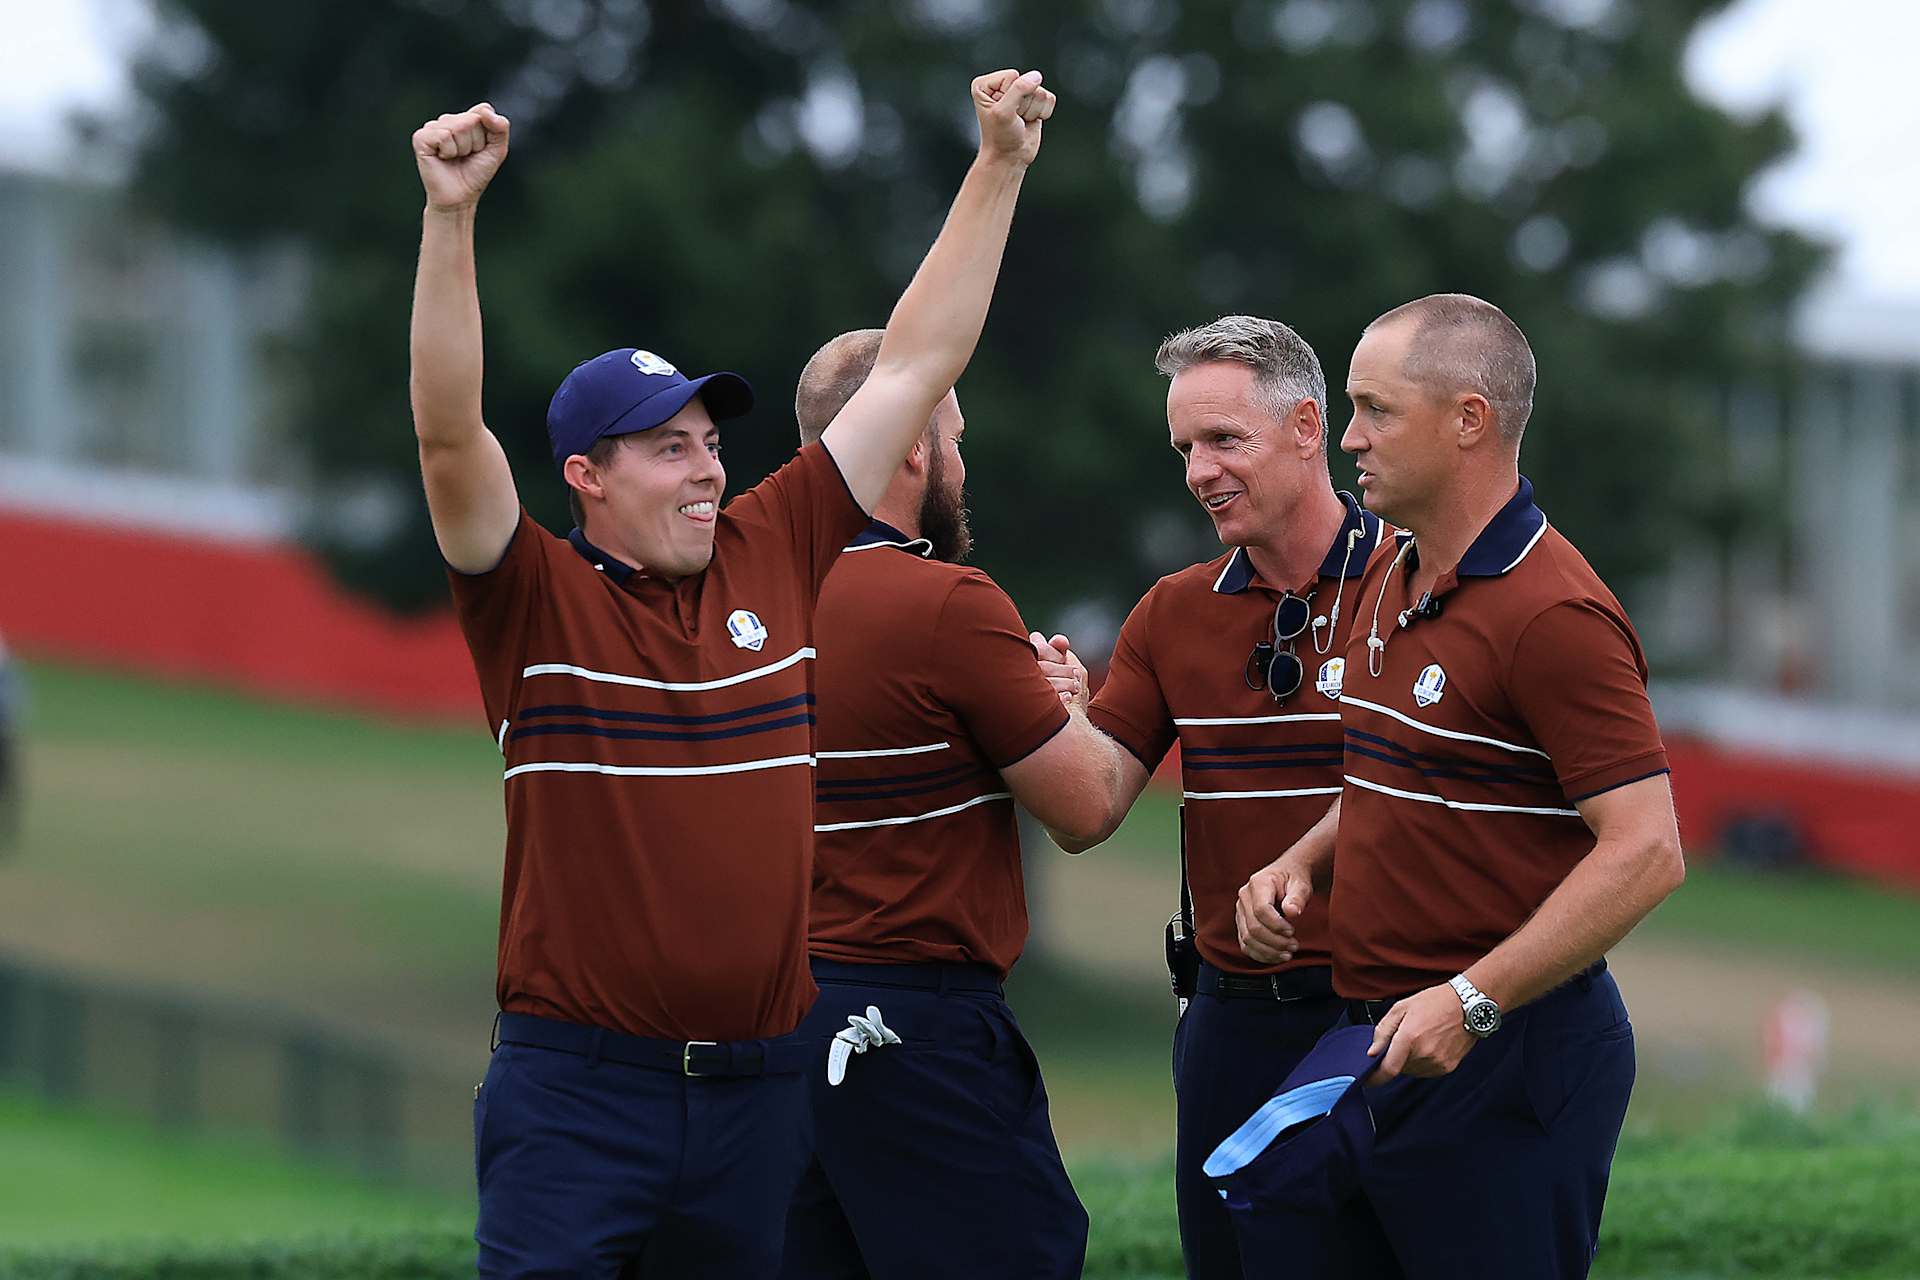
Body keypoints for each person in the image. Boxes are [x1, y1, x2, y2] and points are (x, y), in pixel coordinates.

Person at [408, 70, 1056, 1279]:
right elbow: (450, 433)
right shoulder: (530, 596)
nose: (706, 470)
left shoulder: (777, 541)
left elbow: (912, 364)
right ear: (587, 478)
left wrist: (998, 166)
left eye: (712, 442)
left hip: (762, 1092)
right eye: (668, 449)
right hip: (576, 1092)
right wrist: (450, 219)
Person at [1234, 294, 1686, 1278]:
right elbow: (1409, 777)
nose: (1348, 436)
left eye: (1375, 409)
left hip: (1510, 1050)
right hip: (1381, 1040)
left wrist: (1473, 1000)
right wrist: (1303, 858)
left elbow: (1648, 849)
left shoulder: (1556, 611)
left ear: (1469, 419)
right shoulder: (1394, 568)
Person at [1035, 315, 1392, 1279]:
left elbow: (1437, 782)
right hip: (1232, 1025)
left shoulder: (1418, 582)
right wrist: (1046, 719)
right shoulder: (1172, 611)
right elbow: (1091, 807)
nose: (1199, 471)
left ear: (1308, 427)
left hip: (1390, 1018)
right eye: (1185, 447)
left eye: (1224, 440)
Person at [779, 329, 1117, 1280]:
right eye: (956, 440)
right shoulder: (947, 602)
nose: (962, 466)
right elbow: (1085, 809)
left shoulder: (738, 594)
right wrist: (1074, 712)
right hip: (913, 1026)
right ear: (917, 448)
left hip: (771, 1024)